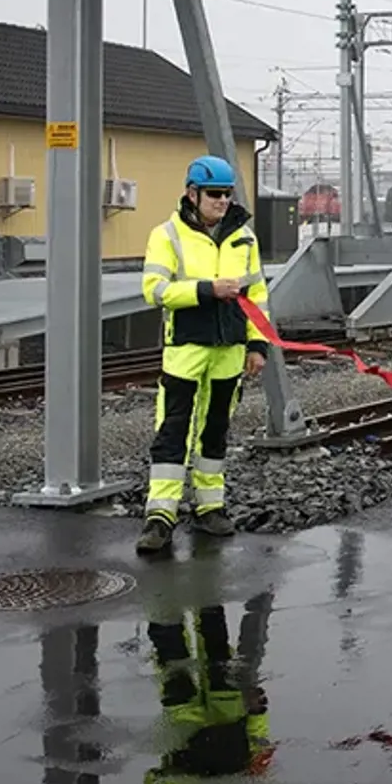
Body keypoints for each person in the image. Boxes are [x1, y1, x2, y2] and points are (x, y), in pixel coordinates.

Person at [136, 155, 270, 555]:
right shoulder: (167, 235)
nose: (222, 202)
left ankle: (210, 508)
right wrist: (207, 290)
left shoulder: (244, 238)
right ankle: (160, 516)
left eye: (227, 194)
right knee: (173, 432)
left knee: (215, 433)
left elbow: (257, 295)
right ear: (192, 194)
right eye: (214, 194)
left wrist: (258, 344)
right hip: (186, 351)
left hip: (229, 351)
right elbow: (154, 290)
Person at [143, 598, 276, 784]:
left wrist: (164, 781)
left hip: (185, 729)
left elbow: (154, 781)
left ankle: (162, 593)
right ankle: (206, 589)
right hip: (228, 721)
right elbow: (258, 763)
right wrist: (257, 713)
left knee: (171, 657)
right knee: (216, 649)